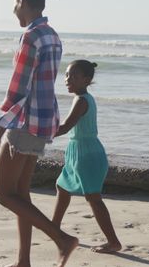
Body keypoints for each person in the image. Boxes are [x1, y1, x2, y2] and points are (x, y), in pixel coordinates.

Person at [0, 0, 77, 267]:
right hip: (43, 123)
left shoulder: (31, 37)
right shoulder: (52, 35)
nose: (13, 9)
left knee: (2, 193)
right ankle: (23, 261)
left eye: (14, 2)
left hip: (24, 125)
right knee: (21, 194)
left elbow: (17, 91)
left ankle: (62, 239)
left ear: (22, 0)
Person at [52, 60, 122, 254]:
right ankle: (54, 228)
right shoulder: (80, 98)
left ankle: (113, 242)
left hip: (87, 155)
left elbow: (65, 127)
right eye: (66, 75)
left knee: (93, 198)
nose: (68, 79)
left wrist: (40, 134)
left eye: (73, 76)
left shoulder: (83, 100)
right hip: (77, 153)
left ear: (87, 79)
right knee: (62, 187)